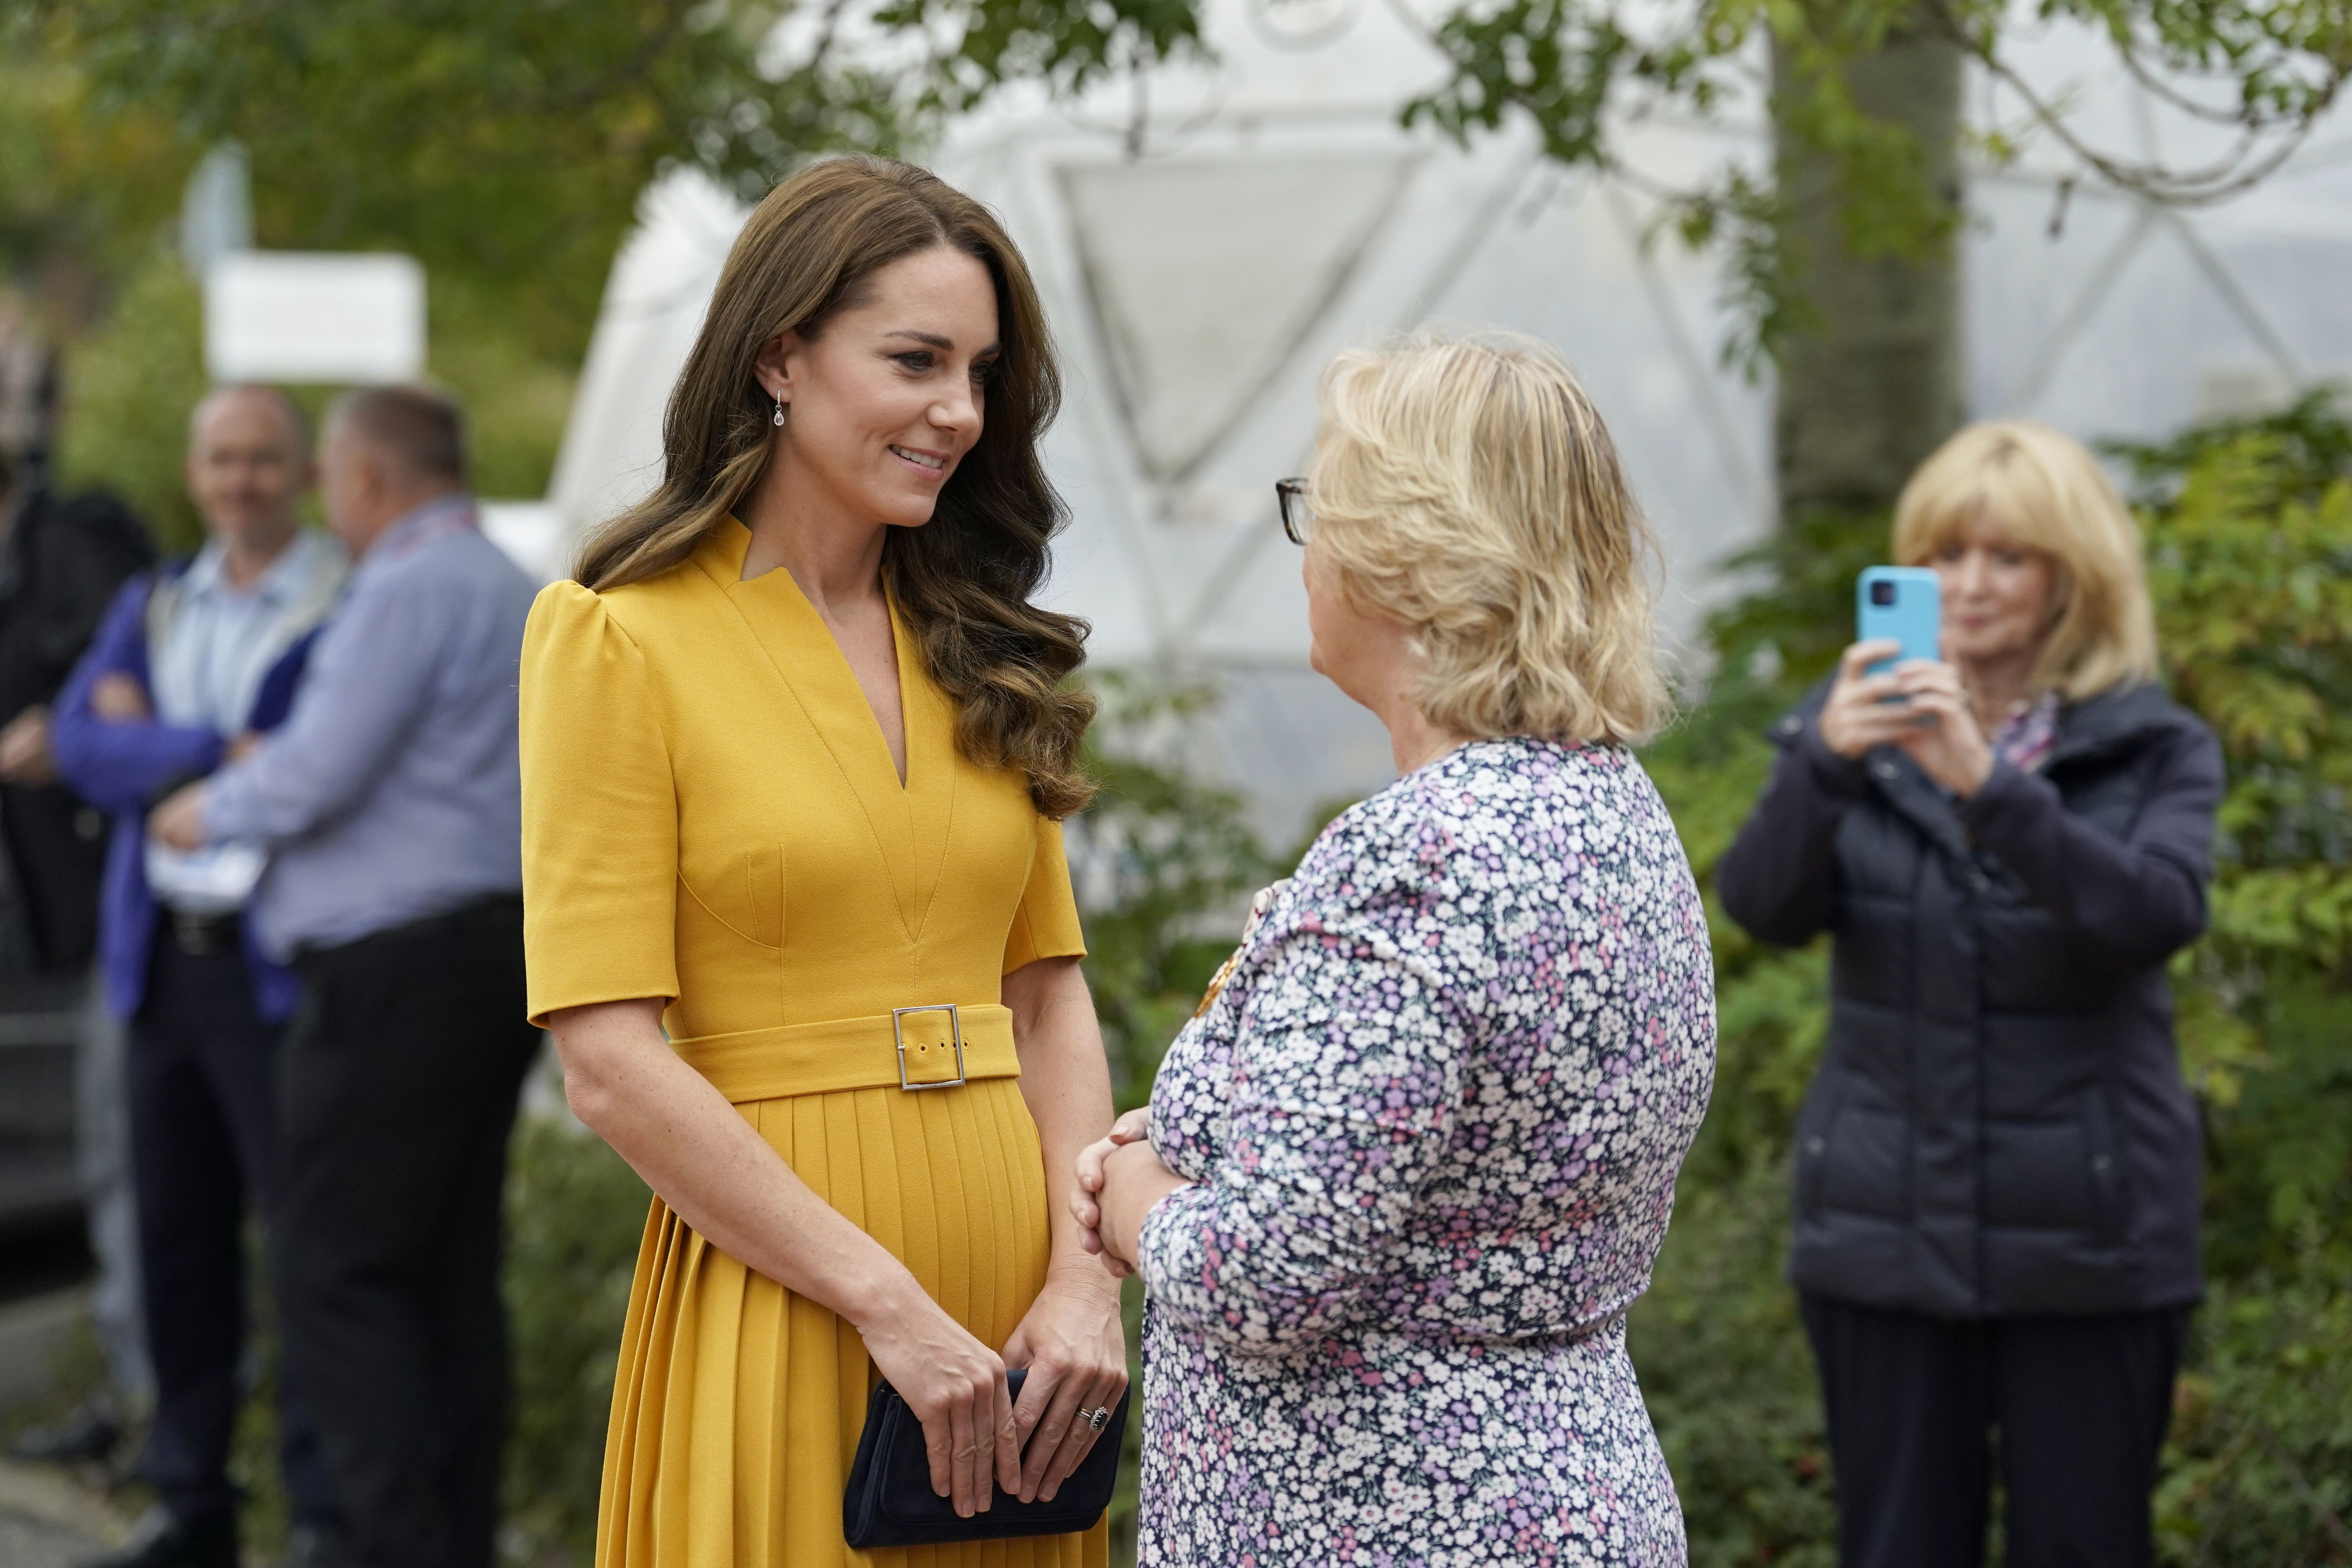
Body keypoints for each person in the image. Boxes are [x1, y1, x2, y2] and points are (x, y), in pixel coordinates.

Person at [520, 156, 1125, 1568]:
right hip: (795, 1301)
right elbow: (609, 1060)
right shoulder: (618, 640)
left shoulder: (979, 649)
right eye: (915, 361)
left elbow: (1047, 1001)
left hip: (1025, 1335)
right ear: (780, 355)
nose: (958, 414)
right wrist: (887, 1305)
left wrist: (1089, 1285)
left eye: (979, 373)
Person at [1076, 333, 1719, 1566]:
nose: (1307, 549)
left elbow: (1275, 1275)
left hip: (1387, 1515)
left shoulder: (1417, 861)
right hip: (1566, 1493)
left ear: (1405, 554)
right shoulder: (1612, 810)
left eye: (1321, 508)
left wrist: (1134, 1201)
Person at [1713, 420, 2221, 1568]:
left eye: (2008, 557)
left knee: (2086, 1546)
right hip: (1883, 1239)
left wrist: (1991, 788)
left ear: (2073, 578)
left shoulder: (2156, 751)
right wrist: (1825, 765)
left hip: (2092, 1240)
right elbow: (1760, 907)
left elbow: (2153, 918)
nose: (1969, 586)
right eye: (1942, 556)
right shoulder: (1847, 734)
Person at [147, 385, 540, 1568]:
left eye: (326, 473)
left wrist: (201, 808)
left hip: (392, 978)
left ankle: (389, 1543)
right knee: (447, 1267)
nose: (326, 495)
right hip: (490, 958)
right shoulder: (515, 587)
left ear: (367, 477)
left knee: (335, 1269)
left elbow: (315, 774)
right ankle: (455, 1535)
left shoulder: (405, 586)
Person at [51, 384, 347, 1568]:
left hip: (277, 979)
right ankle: (194, 1502)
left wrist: (152, 740)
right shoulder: (157, 599)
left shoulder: (342, 601)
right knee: (175, 1246)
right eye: (222, 461)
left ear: (306, 471)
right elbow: (82, 743)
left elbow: (318, 761)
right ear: (194, 473)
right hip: (159, 976)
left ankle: (321, 1514)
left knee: (306, 1250)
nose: (241, 482)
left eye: (264, 460)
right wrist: (217, 751)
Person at [0, 301, 156, 1455]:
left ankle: (152, 1412)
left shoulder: (88, 538)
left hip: (89, 905)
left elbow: (139, 698)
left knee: (123, 1163)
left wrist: (75, 731)